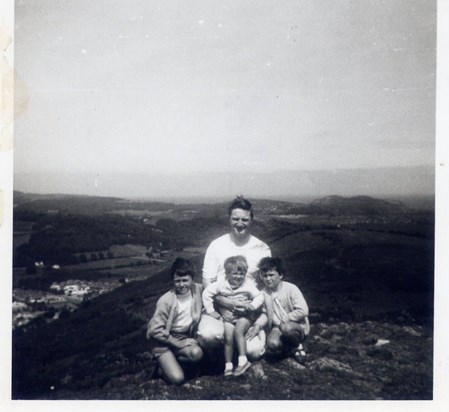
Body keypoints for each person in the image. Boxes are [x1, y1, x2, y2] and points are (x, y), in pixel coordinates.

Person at [198, 196, 271, 348]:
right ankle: (217, 362)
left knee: (254, 351)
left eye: (244, 220)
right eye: (235, 219)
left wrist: (257, 314)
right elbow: (207, 282)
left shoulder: (262, 249)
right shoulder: (216, 245)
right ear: (229, 219)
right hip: (219, 308)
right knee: (208, 336)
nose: (239, 224)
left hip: (249, 311)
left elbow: (267, 285)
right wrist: (227, 303)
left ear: (251, 220)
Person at [202, 256, 264, 377]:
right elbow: (206, 294)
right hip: (228, 317)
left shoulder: (248, 285)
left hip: (245, 315)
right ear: (227, 273)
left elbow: (259, 296)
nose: (238, 277)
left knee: (238, 331)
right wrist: (211, 311)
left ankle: (243, 361)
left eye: (242, 274)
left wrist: (252, 305)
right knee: (228, 338)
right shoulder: (221, 284)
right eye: (234, 274)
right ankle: (228, 366)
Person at [146, 258, 203, 385]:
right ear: (173, 280)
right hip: (162, 342)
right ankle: (162, 368)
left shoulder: (198, 290)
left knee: (196, 353)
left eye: (185, 280)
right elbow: (154, 331)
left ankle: (173, 361)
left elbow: (213, 291)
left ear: (192, 279)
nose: (181, 285)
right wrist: (178, 343)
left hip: (183, 336)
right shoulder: (166, 301)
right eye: (177, 281)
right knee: (177, 379)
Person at [245, 257, 310, 364]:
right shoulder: (264, 293)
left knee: (287, 328)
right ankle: (289, 348)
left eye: (271, 275)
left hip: (296, 325)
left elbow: (303, 310)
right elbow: (264, 313)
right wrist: (257, 325)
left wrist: (287, 318)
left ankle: (299, 346)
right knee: (272, 344)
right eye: (265, 276)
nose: (268, 279)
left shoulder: (291, 288)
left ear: (280, 275)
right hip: (277, 327)